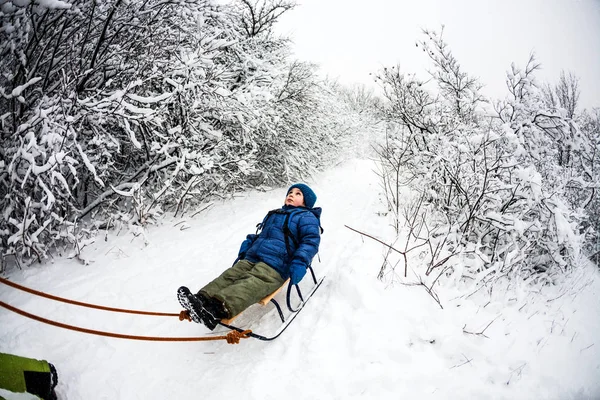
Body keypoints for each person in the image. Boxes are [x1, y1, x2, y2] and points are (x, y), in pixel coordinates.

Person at [178, 183, 322, 330]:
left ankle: (216, 309)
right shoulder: (275, 213)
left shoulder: (306, 217)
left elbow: (310, 242)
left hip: (277, 264)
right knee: (230, 275)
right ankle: (201, 299)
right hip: (253, 256)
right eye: (290, 192)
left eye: (298, 193)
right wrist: (249, 243)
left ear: (306, 202)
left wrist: (300, 262)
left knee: (251, 283)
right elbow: (263, 234)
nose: (291, 194)